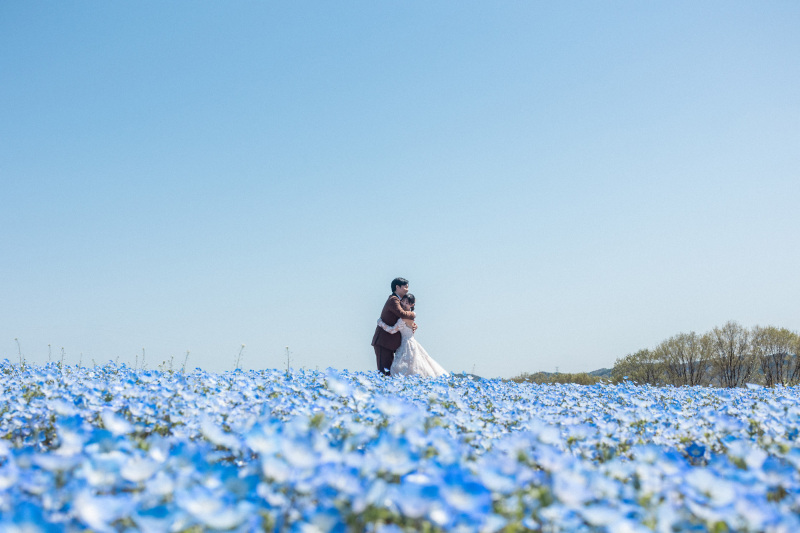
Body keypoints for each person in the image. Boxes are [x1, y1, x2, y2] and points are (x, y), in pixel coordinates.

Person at [377, 293, 448, 378]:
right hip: (410, 341)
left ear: (412, 304)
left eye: (407, 302)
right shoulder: (410, 315)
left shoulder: (404, 317)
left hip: (406, 343)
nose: (403, 304)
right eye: (403, 301)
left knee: (402, 366)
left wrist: (380, 323)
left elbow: (392, 330)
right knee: (412, 365)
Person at [371, 277, 416, 376]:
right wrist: (413, 315)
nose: (407, 290)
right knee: (384, 372)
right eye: (405, 287)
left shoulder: (400, 301)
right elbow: (402, 314)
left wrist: (411, 324)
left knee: (390, 372)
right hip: (384, 341)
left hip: (391, 342)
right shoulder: (393, 299)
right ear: (397, 287)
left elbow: (403, 319)